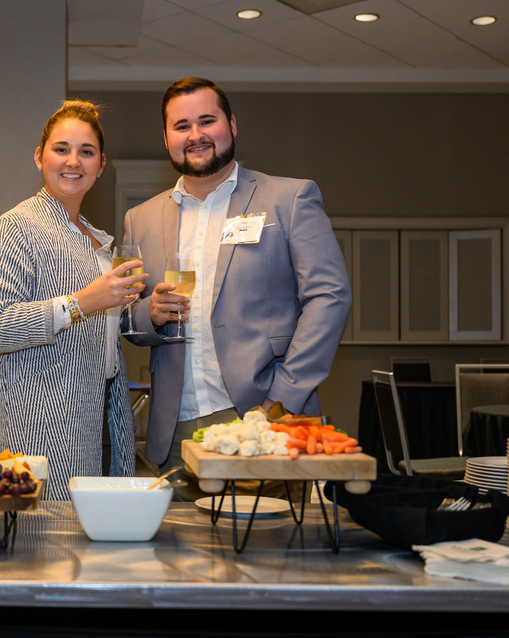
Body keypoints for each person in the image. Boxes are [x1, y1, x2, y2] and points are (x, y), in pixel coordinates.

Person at [124, 77, 352, 495]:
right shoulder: (140, 219)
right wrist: (148, 315)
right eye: (181, 126)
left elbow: (329, 297)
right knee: (180, 539)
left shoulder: (289, 199)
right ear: (166, 137)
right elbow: (127, 318)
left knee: (273, 535)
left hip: (267, 418)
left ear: (231, 124)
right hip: (176, 431)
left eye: (206, 121)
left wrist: (281, 399)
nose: (195, 135)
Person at [0, 100, 147, 500]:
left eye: (86, 151)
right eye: (61, 149)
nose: (73, 161)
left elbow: (101, 332)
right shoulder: (14, 228)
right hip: (38, 428)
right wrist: (80, 303)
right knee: (43, 536)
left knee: (98, 534)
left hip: (103, 416)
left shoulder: (96, 241)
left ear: (101, 165)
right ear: (39, 156)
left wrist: (142, 314)